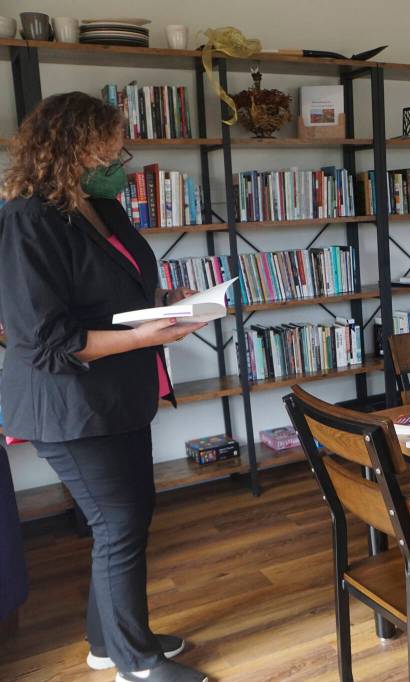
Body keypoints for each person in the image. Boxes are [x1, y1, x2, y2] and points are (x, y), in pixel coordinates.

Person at [0, 92, 209, 682]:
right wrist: (150, 337)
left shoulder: (103, 209)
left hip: (118, 397)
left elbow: (121, 296)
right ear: (73, 145)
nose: (123, 155)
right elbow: (45, 340)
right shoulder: (27, 219)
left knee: (128, 519)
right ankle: (133, 664)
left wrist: (165, 307)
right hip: (67, 405)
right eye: (111, 142)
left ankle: (110, 640)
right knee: (117, 524)